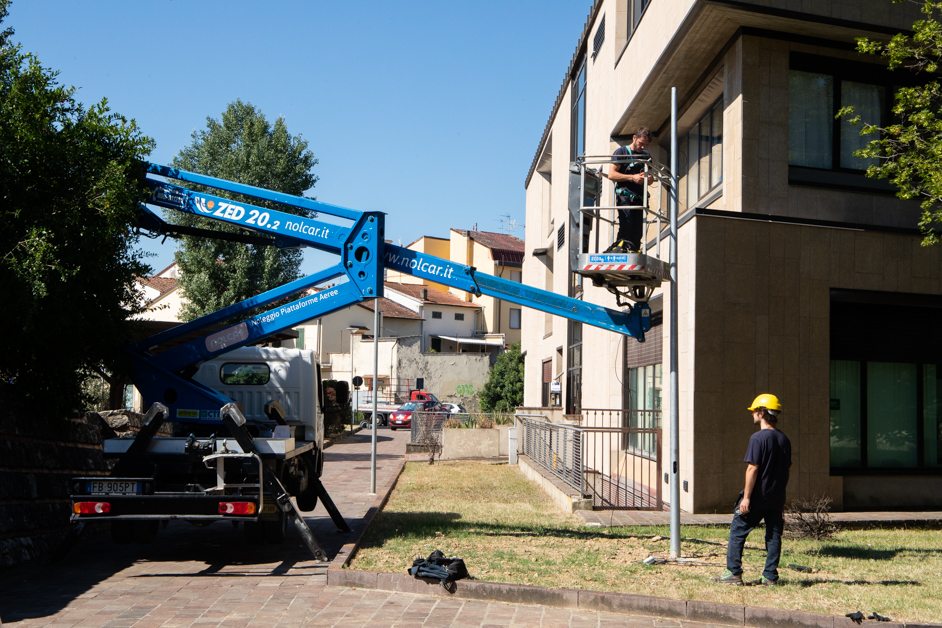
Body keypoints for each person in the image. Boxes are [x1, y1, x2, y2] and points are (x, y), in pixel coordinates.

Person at [715, 394, 792, 586]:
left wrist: (746, 497)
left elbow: (752, 468)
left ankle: (733, 573)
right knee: (774, 536)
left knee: (737, 531)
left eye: (755, 411)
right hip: (775, 498)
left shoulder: (757, 438)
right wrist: (781, 499)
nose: (753, 414)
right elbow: (786, 471)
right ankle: (770, 576)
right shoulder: (784, 439)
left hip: (757, 497)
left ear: (762, 413)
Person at [604, 126, 654, 253]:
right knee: (626, 226)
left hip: (640, 198)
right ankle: (620, 250)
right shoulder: (621, 152)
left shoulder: (646, 156)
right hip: (625, 197)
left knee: (637, 231)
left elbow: (651, 178)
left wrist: (649, 179)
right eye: (641, 143)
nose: (643, 147)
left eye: (645, 145)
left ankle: (633, 251)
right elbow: (612, 175)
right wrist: (632, 178)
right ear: (634, 138)